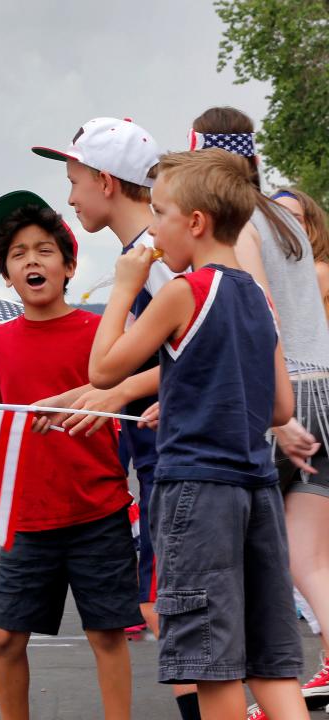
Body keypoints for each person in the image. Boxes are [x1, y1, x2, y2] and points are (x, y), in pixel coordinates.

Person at [89, 148, 306, 720]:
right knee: (271, 663)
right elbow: (279, 406)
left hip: (197, 494)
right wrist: (191, 393)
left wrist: (123, 285)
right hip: (255, 489)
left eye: (159, 212)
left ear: (195, 222)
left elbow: (103, 369)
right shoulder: (257, 297)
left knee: (211, 664)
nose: (153, 227)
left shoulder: (182, 292)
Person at [33, 117, 201, 718]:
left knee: (175, 614)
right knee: (177, 614)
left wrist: (116, 389)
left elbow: (201, 345)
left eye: (74, 180)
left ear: (107, 181)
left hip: (181, 457)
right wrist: (77, 397)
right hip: (170, 454)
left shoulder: (153, 258)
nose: (70, 196)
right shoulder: (148, 256)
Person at [0, 190, 141, 720]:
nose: (31, 261)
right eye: (18, 254)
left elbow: (132, 397)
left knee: (106, 635)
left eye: (44, 250)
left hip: (99, 511)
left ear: (68, 266)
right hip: (27, 519)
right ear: (6, 275)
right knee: (5, 637)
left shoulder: (100, 331)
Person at [189, 107, 329, 716]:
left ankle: (253, 692)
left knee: (253, 558)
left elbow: (258, 312)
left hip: (286, 396)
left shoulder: (243, 223)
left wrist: (275, 415)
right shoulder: (283, 215)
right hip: (326, 388)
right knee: (310, 559)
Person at [271, 187, 329, 324]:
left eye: (295, 219)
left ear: (311, 227)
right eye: (277, 218)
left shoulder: (317, 272)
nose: (286, 225)